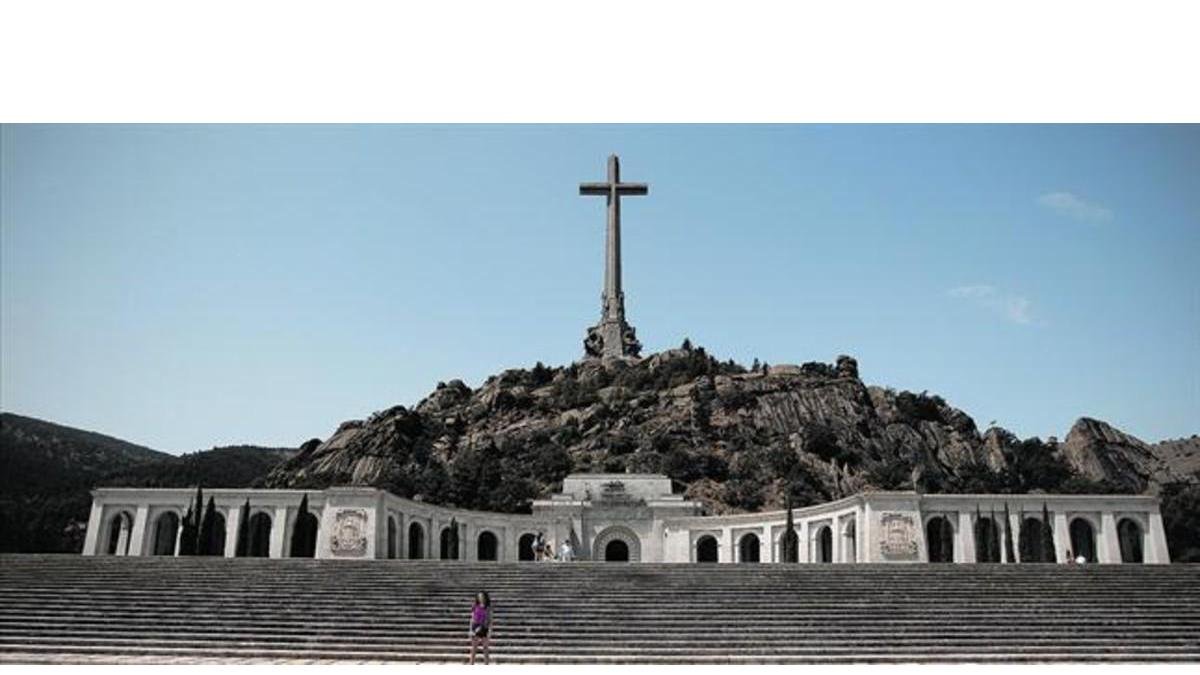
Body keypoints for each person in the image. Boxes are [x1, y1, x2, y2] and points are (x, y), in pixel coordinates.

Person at [468, 591, 491, 665]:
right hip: (475, 626)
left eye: (482, 596)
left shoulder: (488, 607)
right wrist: (470, 629)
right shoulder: (474, 606)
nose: (481, 598)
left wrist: (490, 631)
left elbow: (490, 619)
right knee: (474, 648)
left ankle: (486, 665)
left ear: (485, 597)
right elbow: (472, 618)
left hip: (484, 627)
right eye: (479, 596)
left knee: (485, 648)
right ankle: (471, 664)